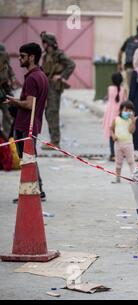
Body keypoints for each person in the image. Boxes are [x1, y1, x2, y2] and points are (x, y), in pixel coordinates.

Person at [2, 43, 48, 202]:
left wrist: (15, 103)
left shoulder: (32, 78)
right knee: (30, 159)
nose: (19, 59)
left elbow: (29, 104)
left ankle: (31, 192)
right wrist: (13, 100)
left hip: (25, 125)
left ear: (31, 57)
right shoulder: (41, 75)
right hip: (31, 124)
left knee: (27, 160)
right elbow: (29, 101)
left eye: (22, 56)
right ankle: (38, 190)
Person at [40, 32, 76, 149]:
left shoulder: (58, 54)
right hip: (46, 86)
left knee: (53, 112)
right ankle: (53, 139)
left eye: (45, 42)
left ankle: (55, 142)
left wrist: (62, 76)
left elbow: (71, 64)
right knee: (47, 113)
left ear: (49, 43)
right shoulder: (45, 56)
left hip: (54, 87)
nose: (43, 44)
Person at [102, 72, 127, 162]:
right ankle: (120, 153)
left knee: (111, 134)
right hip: (120, 113)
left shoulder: (109, 88)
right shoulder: (123, 89)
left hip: (110, 113)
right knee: (120, 134)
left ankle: (113, 154)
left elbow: (107, 98)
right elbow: (125, 101)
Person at [110, 101, 137, 183]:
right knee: (118, 162)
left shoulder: (130, 120)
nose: (127, 112)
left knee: (131, 161)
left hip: (128, 144)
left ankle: (134, 178)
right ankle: (117, 178)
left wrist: (133, 121)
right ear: (121, 110)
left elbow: (131, 131)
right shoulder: (116, 119)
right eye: (126, 110)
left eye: (130, 110)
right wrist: (113, 136)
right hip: (118, 144)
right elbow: (111, 129)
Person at [0, 42, 17, 138]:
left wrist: (13, 80)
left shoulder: (6, 63)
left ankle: (7, 138)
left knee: (8, 115)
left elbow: (10, 72)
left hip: (5, 92)